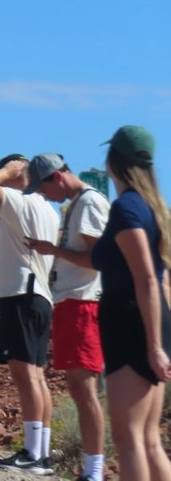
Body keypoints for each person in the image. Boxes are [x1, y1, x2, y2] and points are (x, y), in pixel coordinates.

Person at [91, 125, 171, 480]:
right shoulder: (155, 208)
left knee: (129, 440)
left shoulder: (126, 208)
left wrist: (154, 347)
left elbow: (147, 278)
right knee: (149, 440)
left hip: (131, 321)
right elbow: (162, 279)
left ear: (113, 161)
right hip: (153, 319)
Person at [24, 154, 109, 481]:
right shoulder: (79, 203)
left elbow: (96, 258)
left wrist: (53, 250)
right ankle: (91, 469)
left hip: (83, 304)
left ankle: (95, 470)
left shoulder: (88, 203)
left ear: (57, 177)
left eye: (44, 187)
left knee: (84, 391)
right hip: (74, 303)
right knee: (78, 389)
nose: (45, 195)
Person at [0, 154, 59, 475]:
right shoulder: (47, 209)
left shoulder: (20, 201)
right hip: (40, 296)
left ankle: (32, 453)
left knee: (25, 376)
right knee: (36, 376)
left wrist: (6, 172)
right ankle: (42, 454)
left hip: (22, 294)